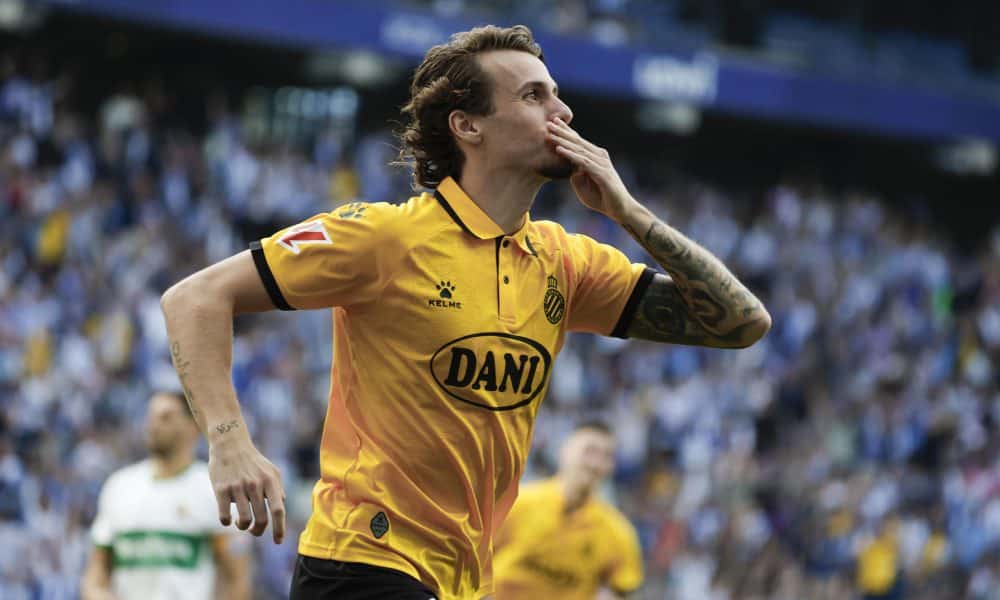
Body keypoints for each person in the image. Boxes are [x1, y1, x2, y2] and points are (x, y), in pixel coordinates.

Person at [160, 24, 770, 600]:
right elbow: (194, 298)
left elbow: (743, 324)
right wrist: (228, 441)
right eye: (534, 96)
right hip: (364, 561)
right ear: (468, 126)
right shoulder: (385, 237)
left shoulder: (566, 263)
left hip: (459, 578)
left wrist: (631, 214)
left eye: (558, 95)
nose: (564, 113)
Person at [80, 391, 251, 600]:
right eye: (150, 417)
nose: (153, 424)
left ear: (193, 426)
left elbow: (236, 579)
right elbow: (95, 575)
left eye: (166, 417)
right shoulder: (119, 487)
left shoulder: (213, 491)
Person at [492, 421, 643, 599]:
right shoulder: (517, 505)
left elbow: (621, 588)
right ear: (565, 451)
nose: (595, 464)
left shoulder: (617, 532)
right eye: (589, 451)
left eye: (606, 457)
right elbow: (472, 563)